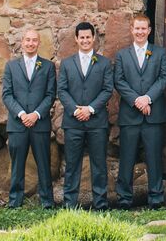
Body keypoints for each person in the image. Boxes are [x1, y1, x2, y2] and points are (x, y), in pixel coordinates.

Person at [113, 14, 166, 209]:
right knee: (127, 158)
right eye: (137, 28)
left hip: (153, 114)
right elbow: (119, 80)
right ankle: (124, 198)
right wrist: (137, 100)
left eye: (143, 28)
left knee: (154, 157)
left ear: (149, 30)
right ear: (131, 30)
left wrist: (148, 98)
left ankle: (156, 197)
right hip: (130, 115)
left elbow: (163, 78)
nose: (140, 32)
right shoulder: (122, 55)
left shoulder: (159, 53)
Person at [57, 22, 113, 210]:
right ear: (76, 39)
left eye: (88, 37)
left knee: (99, 164)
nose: (85, 40)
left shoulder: (104, 63)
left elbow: (107, 89)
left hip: (97, 121)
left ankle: (100, 204)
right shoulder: (67, 63)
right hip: (73, 122)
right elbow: (62, 90)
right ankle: (70, 204)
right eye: (82, 37)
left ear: (94, 38)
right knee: (72, 165)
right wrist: (75, 109)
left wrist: (89, 109)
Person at [1, 28, 56, 208]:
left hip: (40, 123)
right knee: (17, 165)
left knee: (43, 163)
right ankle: (15, 202)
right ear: (22, 42)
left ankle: (47, 201)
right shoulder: (11, 66)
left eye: (34, 40)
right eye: (28, 40)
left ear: (39, 43)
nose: (31, 43)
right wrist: (23, 114)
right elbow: (7, 95)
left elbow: (50, 95)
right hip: (18, 124)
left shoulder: (47, 66)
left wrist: (36, 114)